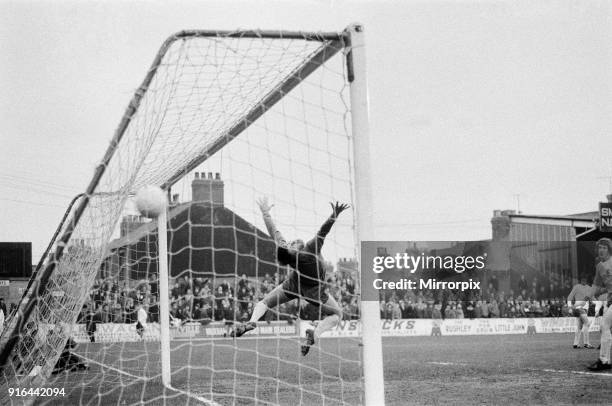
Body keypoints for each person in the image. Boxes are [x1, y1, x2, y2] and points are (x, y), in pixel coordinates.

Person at [231, 198, 348, 356]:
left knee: (265, 303)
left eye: (293, 242)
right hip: (312, 290)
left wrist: (265, 212)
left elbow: (274, 231)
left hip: (295, 284)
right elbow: (322, 232)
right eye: (292, 242)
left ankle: (253, 321)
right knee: (337, 314)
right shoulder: (309, 249)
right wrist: (334, 214)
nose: (291, 243)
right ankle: (314, 333)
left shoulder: (293, 252)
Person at [586, 238, 612, 371]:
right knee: (605, 326)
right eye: (599, 247)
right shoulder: (600, 267)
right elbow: (595, 286)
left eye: (604, 247)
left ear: (609, 249)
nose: (601, 250)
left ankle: (604, 360)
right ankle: (606, 360)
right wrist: (586, 297)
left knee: (605, 325)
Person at [567, 276, 593, 349]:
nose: (583, 281)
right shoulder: (583, 287)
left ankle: (575, 344)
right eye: (582, 280)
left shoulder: (580, 287)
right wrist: (569, 308)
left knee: (579, 327)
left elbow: (592, 298)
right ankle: (586, 343)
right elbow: (569, 297)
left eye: (584, 280)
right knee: (587, 324)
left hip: (579, 309)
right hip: (580, 308)